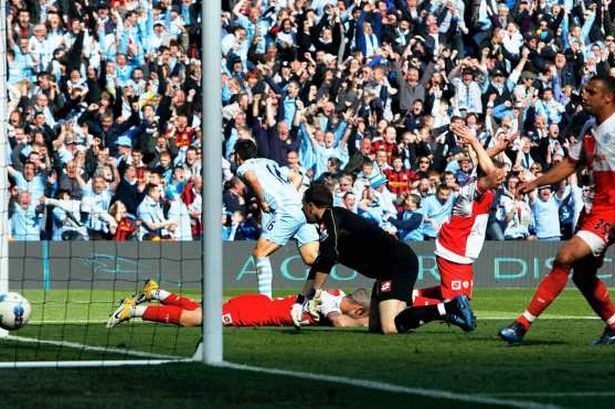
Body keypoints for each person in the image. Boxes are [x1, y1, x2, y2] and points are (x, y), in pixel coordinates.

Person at [499, 75, 615, 345]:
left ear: (608, 97)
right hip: (596, 209)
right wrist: (535, 182)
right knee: (584, 276)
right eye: (584, 90)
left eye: (591, 92)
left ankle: (521, 324)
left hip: (610, 211)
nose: (584, 95)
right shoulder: (589, 127)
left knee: (565, 256)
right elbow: (568, 164)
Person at [293, 183, 476, 335]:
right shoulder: (332, 221)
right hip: (386, 269)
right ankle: (437, 311)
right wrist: (301, 301)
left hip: (397, 264)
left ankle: (450, 307)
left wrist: (309, 297)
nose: (302, 210)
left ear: (310, 205)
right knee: (375, 327)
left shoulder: (330, 218)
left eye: (303, 205)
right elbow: (321, 263)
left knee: (390, 327)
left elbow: (326, 259)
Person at [413, 124, 511, 306]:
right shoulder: (474, 191)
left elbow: (484, 165)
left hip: (461, 249)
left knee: (459, 300)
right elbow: (492, 172)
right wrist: (474, 141)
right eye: (502, 175)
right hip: (454, 247)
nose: (502, 178)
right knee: (457, 304)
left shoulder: (476, 180)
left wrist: (498, 148)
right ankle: (400, 304)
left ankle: (410, 296)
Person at [233, 139, 319, 298]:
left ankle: (265, 302)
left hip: (284, 212)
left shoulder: (243, 167)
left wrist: (262, 200)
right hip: (301, 207)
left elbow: (251, 178)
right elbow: (297, 177)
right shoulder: (269, 162)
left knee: (260, 254)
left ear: (238, 156)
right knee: (312, 258)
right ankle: (328, 295)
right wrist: (288, 196)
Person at [106, 279, 370, 328]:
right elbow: (337, 321)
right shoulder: (330, 304)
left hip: (259, 303)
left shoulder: (336, 290)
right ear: (357, 310)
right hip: (254, 313)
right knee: (195, 320)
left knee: (200, 310)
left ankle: (156, 292)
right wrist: (364, 325)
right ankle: (134, 310)